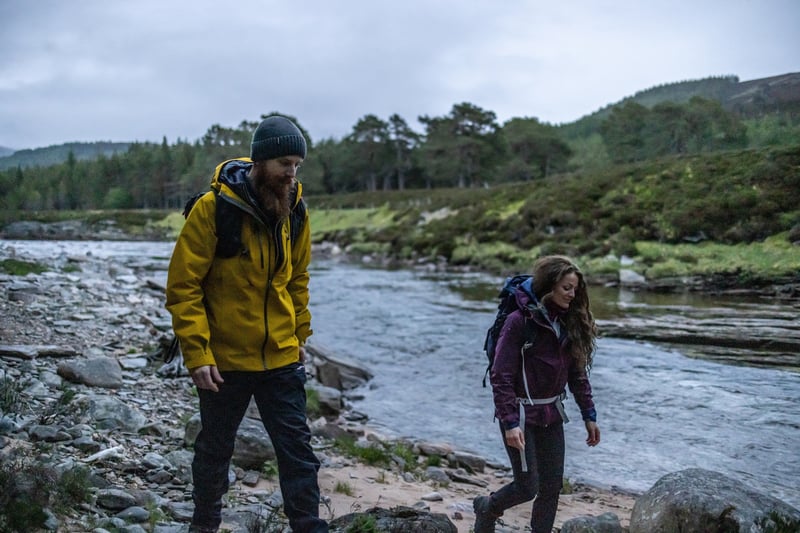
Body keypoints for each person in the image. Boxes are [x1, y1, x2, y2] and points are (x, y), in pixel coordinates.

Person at [165, 115, 328, 533]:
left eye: (297, 165)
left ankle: (309, 528)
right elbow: (184, 287)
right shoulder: (212, 209)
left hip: (281, 357)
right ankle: (204, 525)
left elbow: (297, 279)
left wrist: (299, 335)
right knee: (215, 449)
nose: (291, 173)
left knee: (297, 452)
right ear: (260, 161)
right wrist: (197, 354)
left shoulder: (296, 210)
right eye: (283, 164)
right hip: (223, 361)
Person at [473, 255, 600, 533]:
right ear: (549, 286)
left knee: (552, 486)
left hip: (552, 414)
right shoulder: (519, 322)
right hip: (520, 414)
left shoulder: (569, 324)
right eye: (567, 287)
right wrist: (509, 422)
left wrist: (589, 415)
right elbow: (501, 375)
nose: (573, 293)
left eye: (575, 288)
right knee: (527, 487)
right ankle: (487, 507)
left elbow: (577, 374)